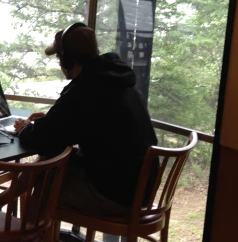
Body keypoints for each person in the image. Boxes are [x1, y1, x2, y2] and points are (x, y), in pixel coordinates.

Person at [14, 23, 158, 217]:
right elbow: (76, 124)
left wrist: (25, 128)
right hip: (139, 188)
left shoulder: (85, 88)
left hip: (116, 196)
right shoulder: (116, 79)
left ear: (67, 59)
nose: (59, 63)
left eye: (58, 57)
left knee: (47, 180)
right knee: (52, 161)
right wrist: (49, 122)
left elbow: (44, 141)